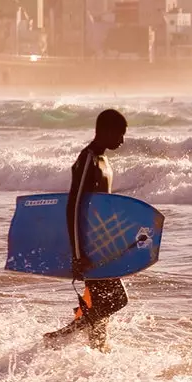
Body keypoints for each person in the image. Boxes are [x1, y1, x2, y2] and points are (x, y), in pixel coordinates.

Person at [44, 109, 129, 351]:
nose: (122, 141)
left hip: (102, 244)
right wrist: (79, 254)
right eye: (120, 134)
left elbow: (102, 208)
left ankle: (98, 352)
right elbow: (74, 206)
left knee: (102, 307)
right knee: (117, 299)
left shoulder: (103, 159)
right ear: (106, 130)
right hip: (91, 247)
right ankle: (63, 335)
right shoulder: (88, 159)